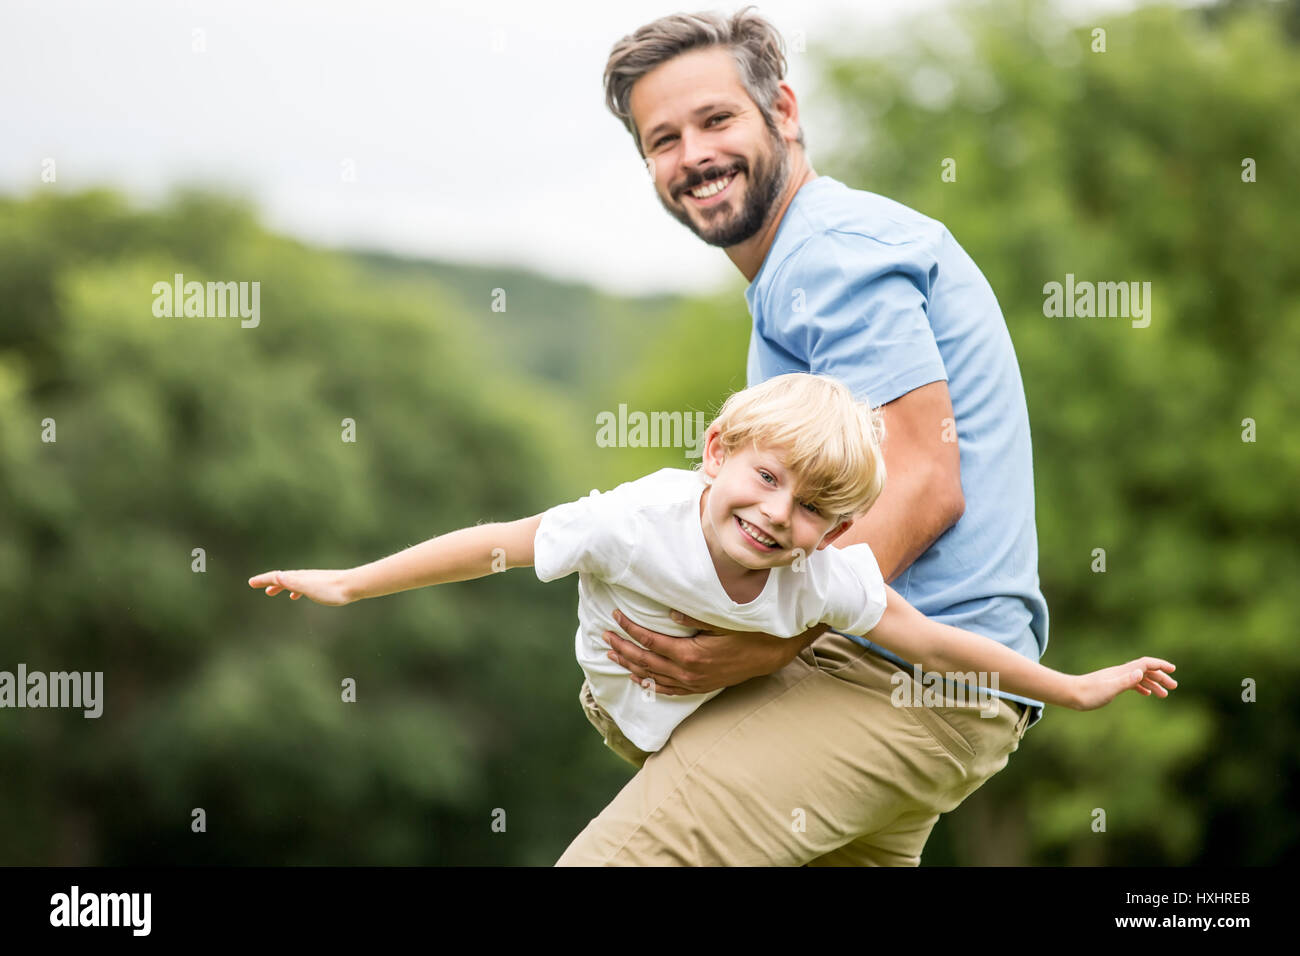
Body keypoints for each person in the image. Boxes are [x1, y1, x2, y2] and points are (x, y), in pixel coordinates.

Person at [546, 6, 1074, 865]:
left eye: (717, 120)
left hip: (886, 680)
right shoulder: (807, 262)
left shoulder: (824, 257)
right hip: (936, 691)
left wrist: (766, 644)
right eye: (663, 140)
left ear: (783, 112)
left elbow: (924, 483)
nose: (694, 157)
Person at [248, 374, 1175, 779]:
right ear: (715, 453)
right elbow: (496, 543)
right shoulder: (634, 520)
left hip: (730, 717)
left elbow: (931, 639)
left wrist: (1071, 686)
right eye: (766, 479)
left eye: (812, 508)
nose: (778, 514)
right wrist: (350, 583)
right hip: (628, 716)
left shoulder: (823, 575)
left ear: (840, 530)